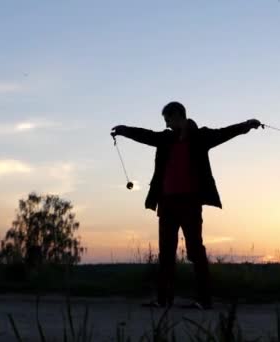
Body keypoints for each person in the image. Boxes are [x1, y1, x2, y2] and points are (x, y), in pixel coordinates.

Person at [111, 101, 261, 309]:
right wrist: (124, 130)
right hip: (167, 204)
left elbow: (224, 133)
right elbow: (146, 136)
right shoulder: (166, 139)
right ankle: (163, 300)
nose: (167, 124)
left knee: (195, 252)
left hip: (190, 203)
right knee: (166, 253)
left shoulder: (200, 137)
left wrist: (247, 125)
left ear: (179, 115)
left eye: (168, 119)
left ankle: (204, 300)